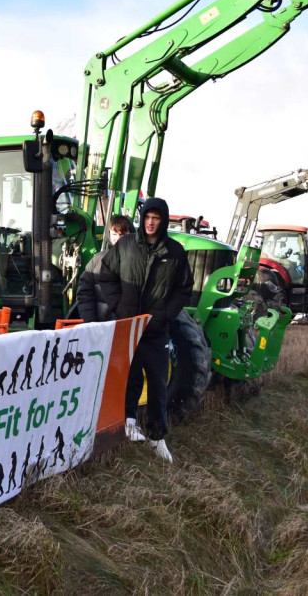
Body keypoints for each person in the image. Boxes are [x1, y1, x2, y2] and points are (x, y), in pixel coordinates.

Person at [98, 198, 193, 462]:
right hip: (129, 326)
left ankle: (156, 437)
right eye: (148, 217)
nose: (151, 223)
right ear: (143, 219)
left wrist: (165, 315)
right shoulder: (126, 245)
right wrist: (118, 306)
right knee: (127, 377)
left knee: (158, 381)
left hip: (156, 329)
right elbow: (107, 275)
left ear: (163, 221)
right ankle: (127, 422)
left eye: (157, 218)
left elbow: (184, 288)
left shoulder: (174, 252)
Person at [76, 215, 134, 323]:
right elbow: (84, 293)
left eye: (123, 234)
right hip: (101, 328)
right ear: (109, 235)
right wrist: (90, 322)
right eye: (114, 234)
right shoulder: (97, 261)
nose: (118, 238)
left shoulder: (139, 261)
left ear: (131, 234)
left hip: (128, 328)